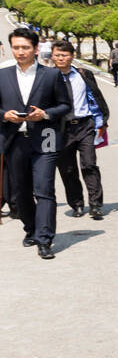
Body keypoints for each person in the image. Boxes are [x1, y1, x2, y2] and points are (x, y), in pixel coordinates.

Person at [1, 25, 72, 258]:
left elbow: (65, 105)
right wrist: (4, 115)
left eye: (25, 47)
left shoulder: (51, 75)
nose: (20, 52)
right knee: (20, 192)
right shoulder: (2, 76)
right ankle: (30, 229)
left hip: (46, 139)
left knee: (44, 190)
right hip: (14, 140)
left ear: (36, 48)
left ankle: (45, 239)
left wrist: (45, 114)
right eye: (16, 47)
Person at [50, 39, 108, 220]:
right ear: (52, 56)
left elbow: (97, 98)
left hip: (84, 125)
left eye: (64, 55)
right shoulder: (46, 77)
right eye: (57, 55)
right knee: (67, 169)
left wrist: (102, 122)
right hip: (60, 129)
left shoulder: (84, 75)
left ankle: (96, 204)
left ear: (72, 56)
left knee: (89, 164)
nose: (61, 58)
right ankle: (76, 204)